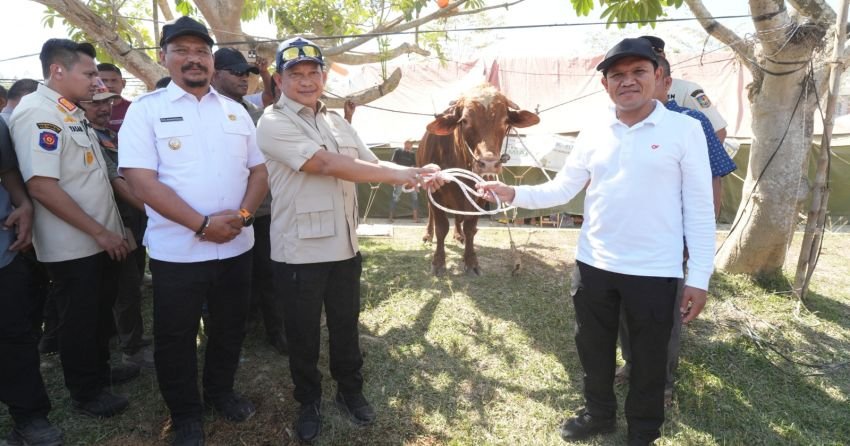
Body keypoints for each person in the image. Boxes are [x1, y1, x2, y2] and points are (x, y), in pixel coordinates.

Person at [477, 37, 715, 445]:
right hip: (595, 265)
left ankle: (643, 430)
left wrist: (700, 277)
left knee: (649, 358)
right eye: (616, 75)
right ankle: (599, 414)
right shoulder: (593, 132)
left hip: (656, 269)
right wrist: (513, 193)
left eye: (638, 72)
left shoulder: (686, 130)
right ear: (605, 85)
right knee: (593, 348)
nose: (627, 82)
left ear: (658, 76)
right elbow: (561, 188)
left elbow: (699, 209)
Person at [256, 36, 440, 443]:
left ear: (323, 76)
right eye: (295, 74)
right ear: (280, 80)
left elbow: (369, 164)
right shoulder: (273, 121)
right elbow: (324, 163)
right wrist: (398, 175)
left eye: (313, 73)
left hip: (344, 246)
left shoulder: (336, 121)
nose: (306, 81)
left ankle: (350, 392)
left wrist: (416, 172)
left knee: (345, 325)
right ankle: (308, 400)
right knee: (303, 333)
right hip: (299, 251)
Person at [119, 16, 269, 446]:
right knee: (176, 337)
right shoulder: (146, 111)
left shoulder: (236, 111)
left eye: (200, 51)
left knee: (229, 328)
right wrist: (202, 225)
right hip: (178, 252)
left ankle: (221, 392)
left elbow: (259, 171)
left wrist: (240, 217)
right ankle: (185, 414)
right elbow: (141, 181)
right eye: (181, 50)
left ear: (210, 59)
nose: (192, 59)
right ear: (163, 57)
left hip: (237, 246)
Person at [11, 38, 132, 418]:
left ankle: (98, 371)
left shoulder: (69, 111)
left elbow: (92, 178)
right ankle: (86, 391)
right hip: (73, 245)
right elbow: (42, 186)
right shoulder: (37, 114)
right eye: (90, 73)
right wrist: (99, 232)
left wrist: (113, 228)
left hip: (99, 238)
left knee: (97, 314)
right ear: (58, 70)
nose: (97, 82)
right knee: (79, 319)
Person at [615, 55, 737, 407]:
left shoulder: (691, 121)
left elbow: (713, 178)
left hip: (670, 239)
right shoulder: (620, 122)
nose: (634, 81)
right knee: (624, 307)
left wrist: (696, 239)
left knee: (664, 314)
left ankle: (662, 382)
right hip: (627, 240)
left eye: (644, 73)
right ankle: (632, 363)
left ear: (664, 80)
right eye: (623, 74)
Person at [212, 47, 287, 355]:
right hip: (224, 212)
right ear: (214, 73)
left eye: (247, 73)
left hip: (262, 208)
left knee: (269, 271)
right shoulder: (205, 111)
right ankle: (235, 332)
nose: (245, 79)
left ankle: (276, 331)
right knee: (228, 280)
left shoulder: (252, 111)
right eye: (236, 73)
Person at [0, 117, 64, 446]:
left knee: (16, 337)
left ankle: (29, 417)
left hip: (3, 253)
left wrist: (23, 203)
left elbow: (7, 168)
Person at [80, 81, 153, 369]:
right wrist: (157, 210)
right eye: (95, 102)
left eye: (108, 102)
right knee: (126, 288)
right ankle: (131, 350)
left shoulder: (108, 134)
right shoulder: (89, 138)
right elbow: (117, 182)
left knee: (131, 282)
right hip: (116, 221)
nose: (104, 108)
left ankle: (132, 340)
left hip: (131, 219)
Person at [388, 139, 420, 223]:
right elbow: (393, 164)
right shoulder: (398, 151)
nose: (410, 146)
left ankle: (415, 218)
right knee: (395, 197)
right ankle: (390, 218)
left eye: (411, 145)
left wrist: (413, 180)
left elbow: (414, 166)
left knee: (415, 197)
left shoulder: (413, 154)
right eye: (409, 144)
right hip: (399, 178)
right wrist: (393, 179)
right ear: (405, 143)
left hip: (410, 179)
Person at [96, 63, 131, 134]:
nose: (109, 85)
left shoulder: (133, 108)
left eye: (114, 80)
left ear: (123, 83)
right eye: (103, 81)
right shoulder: (85, 110)